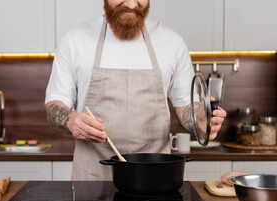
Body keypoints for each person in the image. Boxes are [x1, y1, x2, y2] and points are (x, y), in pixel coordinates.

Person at [45, 0, 227, 180]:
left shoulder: (172, 43)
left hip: (154, 176)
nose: (132, 4)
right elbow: (55, 103)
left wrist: (200, 120)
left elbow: (186, 107)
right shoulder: (75, 40)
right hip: (93, 175)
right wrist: (71, 120)